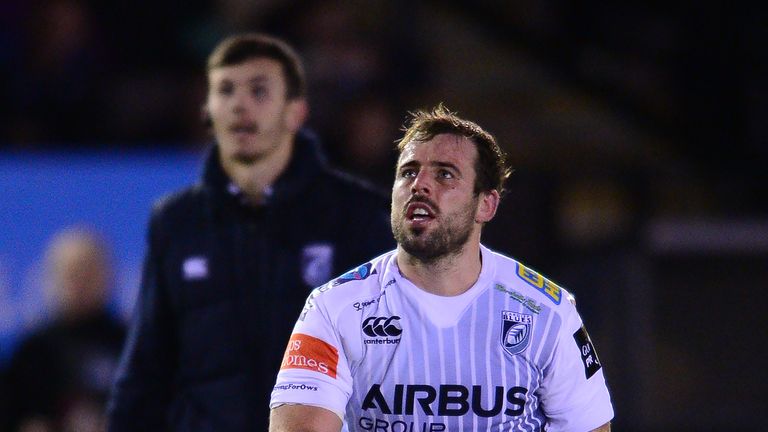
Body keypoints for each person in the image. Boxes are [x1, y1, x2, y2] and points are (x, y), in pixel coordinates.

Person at [106, 33, 394, 431]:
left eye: (259, 91)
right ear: (208, 110)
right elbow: (146, 371)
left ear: (295, 112)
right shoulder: (176, 222)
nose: (239, 105)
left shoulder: (357, 215)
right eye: (225, 91)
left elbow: (392, 361)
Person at [269, 105, 614, 431]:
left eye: (444, 174)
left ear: (486, 205)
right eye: (408, 172)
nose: (419, 184)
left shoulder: (547, 312)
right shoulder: (334, 307)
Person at [3, 227, 126, 432]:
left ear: (109, 275)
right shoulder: (31, 352)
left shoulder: (132, 344)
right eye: (71, 272)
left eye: (89, 271)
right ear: (50, 277)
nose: (80, 281)